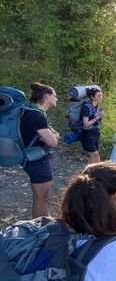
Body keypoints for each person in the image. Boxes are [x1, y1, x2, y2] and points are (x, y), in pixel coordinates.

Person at [19, 81, 59, 217]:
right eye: (54, 95)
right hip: (38, 160)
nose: (56, 98)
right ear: (46, 96)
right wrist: (55, 136)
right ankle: (40, 229)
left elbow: (51, 136)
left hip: (31, 158)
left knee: (40, 198)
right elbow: (53, 142)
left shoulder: (30, 111)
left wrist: (53, 136)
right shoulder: (36, 116)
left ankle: (42, 225)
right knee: (42, 199)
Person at [81, 86, 105, 165]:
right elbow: (86, 124)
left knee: (94, 156)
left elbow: (99, 121)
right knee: (95, 156)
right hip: (87, 134)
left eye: (101, 95)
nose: (101, 97)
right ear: (92, 97)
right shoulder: (86, 107)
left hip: (96, 133)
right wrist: (97, 117)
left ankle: (87, 174)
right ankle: (99, 173)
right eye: (98, 96)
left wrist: (101, 117)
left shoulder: (97, 106)